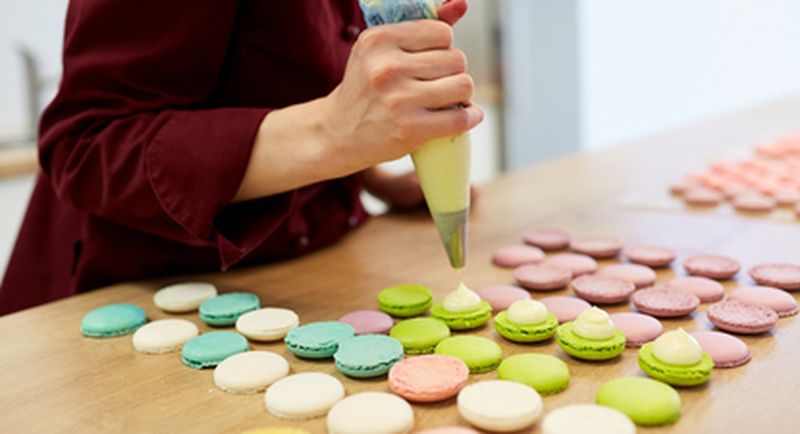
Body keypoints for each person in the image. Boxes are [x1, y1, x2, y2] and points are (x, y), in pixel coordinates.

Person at [0, 0, 483, 315]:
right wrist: (331, 132)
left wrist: (369, 171)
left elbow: (286, 69)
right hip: (139, 298)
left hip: (313, 271)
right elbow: (83, 146)